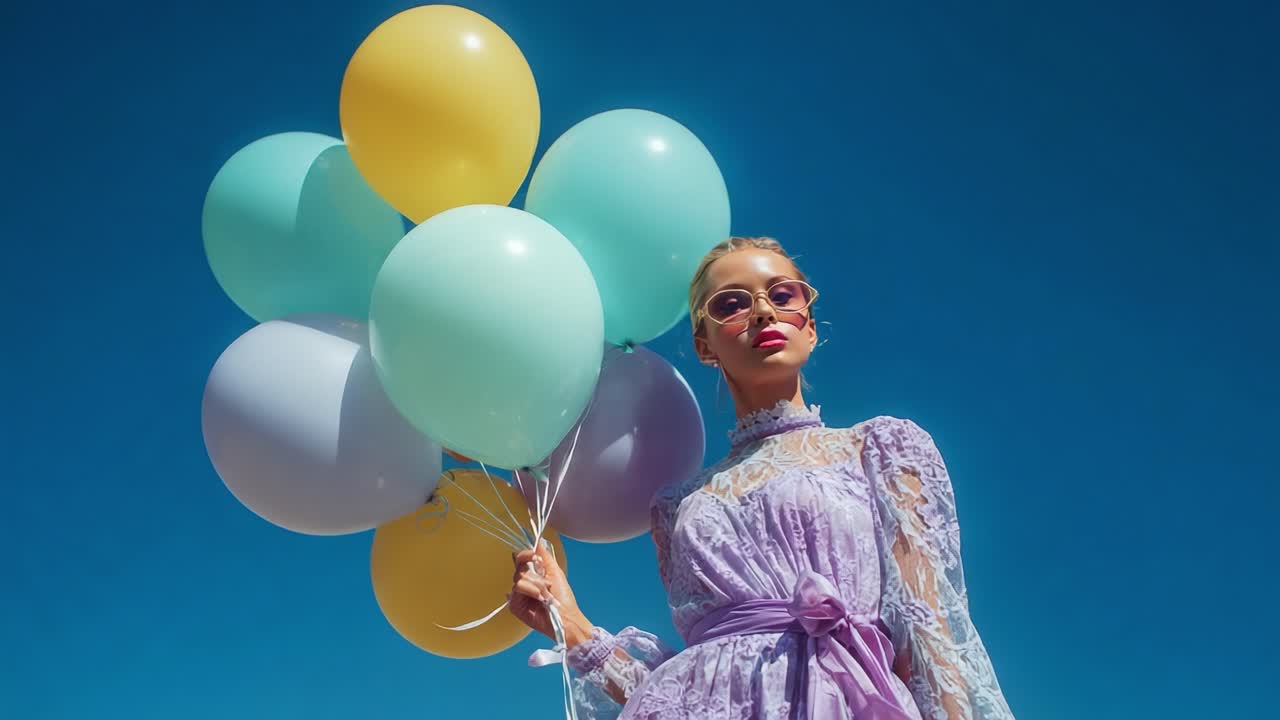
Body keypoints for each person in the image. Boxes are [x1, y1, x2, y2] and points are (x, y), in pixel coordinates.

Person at [507, 237, 1016, 719]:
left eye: (782, 294)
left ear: (810, 326)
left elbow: (926, 632)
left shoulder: (881, 447)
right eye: (731, 304)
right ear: (704, 345)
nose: (764, 311)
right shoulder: (676, 507)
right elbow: (683, 690)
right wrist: (574, 629)